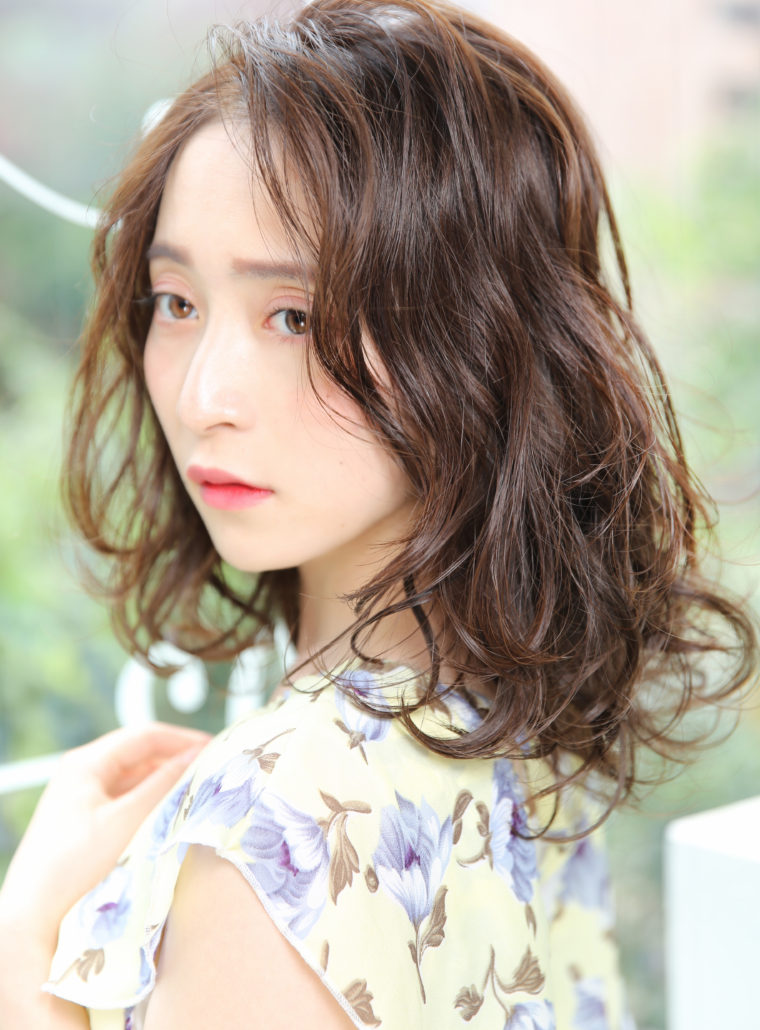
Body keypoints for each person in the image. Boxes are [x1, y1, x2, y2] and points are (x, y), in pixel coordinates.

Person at [0, 1, 755, 1027]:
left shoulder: (268, 830)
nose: (203, 393)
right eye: (177, 302)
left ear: (473, 343)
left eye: (294, 316)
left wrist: (21, 947)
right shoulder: (522, 716)